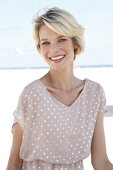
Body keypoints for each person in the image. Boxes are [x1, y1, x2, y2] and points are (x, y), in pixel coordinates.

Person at [7, 7, 113, 170]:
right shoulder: (31, 94)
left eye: (61, 39)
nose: (53, 49)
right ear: (40, 49)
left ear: (75, 42)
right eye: (45, 43)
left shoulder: (94, 93)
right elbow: (14, 163)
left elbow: (100, 161)